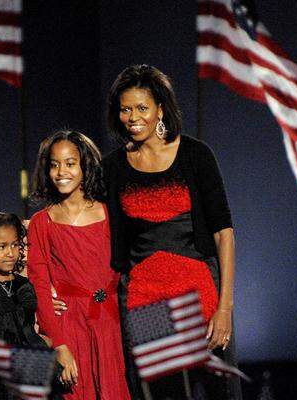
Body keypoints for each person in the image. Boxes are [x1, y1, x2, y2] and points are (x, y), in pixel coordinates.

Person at [103, 64, 242, 399]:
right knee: (165, 394)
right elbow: (89, 222)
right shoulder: (112, 167)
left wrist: (225, 309)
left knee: (215, 390)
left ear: (160, 109)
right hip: (146, 299)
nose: (132, 117)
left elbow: (224, 233)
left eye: (141, 108)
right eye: (125, 109)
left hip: (201, 294)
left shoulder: (196, 155)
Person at [27, 130, 131, 400]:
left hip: (110, 324)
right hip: (69, 326)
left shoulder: (110, 213)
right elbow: (39, 284)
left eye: (70, 163)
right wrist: (59, 344)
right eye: (54, 164)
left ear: (85, 165)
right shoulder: (42, 222)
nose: (61, 171)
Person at [0, 211, 62, 400]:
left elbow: (31, 324)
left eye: (15, 245)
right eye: (1, 246)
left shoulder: (24, 285)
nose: (10, 253)